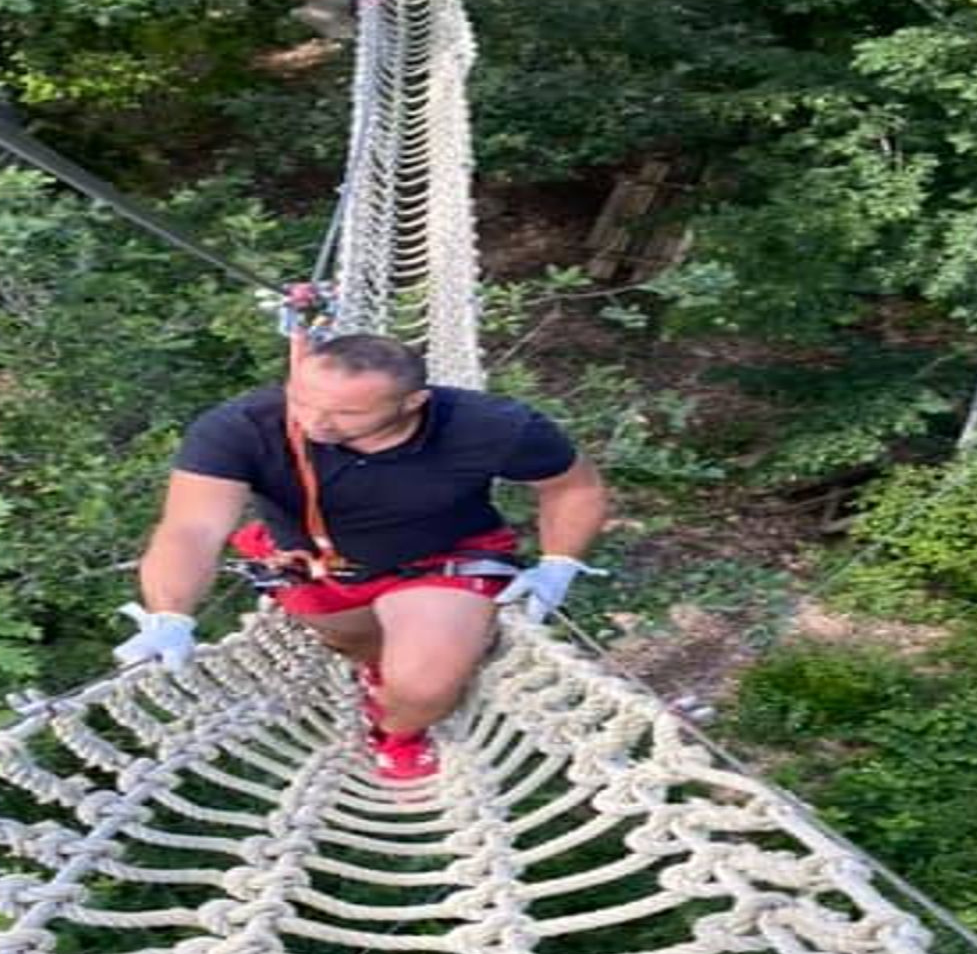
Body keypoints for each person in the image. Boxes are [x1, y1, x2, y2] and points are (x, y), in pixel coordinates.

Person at [114, 333, 608, 784]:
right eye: (302, 400)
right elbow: (192, 527)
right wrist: (171, 613)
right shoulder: (242, 427)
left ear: (413, 402)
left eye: (348, 414)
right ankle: (377, 671)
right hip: (317, 570)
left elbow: (572, 486)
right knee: (363, 650)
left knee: (422, 684)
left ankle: (399, 733)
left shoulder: (491, 426)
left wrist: (559, 563)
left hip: (444, 560)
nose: (315, 421)